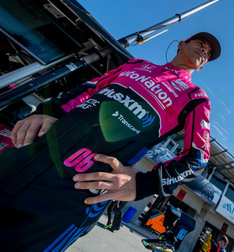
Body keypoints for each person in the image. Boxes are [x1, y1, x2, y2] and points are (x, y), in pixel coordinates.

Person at [0, 32, 221, 251]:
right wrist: (47, 112)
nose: (204, 51)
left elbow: (198, 158)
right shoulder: (136, 64)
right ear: (181, 44)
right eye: (200, 44)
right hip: (26, 156)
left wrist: (143, 184)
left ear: (202, 67)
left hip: (74, 191)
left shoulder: (195, 98)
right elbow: (88, 88)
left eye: (208, 54)